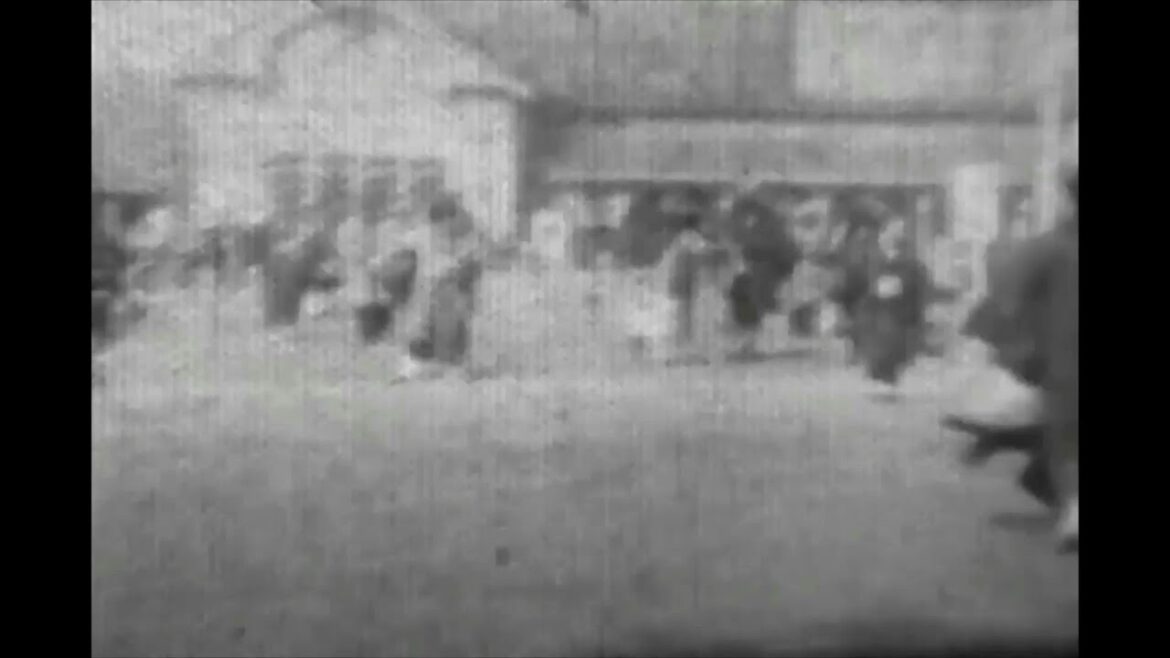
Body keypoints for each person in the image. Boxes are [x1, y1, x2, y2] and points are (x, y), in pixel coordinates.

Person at [948, 165, 1079, 551]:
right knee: (1064, 437)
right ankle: (1073, 510)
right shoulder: (1047, 248)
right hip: (1061, 364)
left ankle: (1073, 510)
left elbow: (1006, 303)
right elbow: (1007, 303)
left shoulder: (1046, 247)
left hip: (1060, 366)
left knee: (1063, 437)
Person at [853, 216, 932, 396]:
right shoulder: (872, 257)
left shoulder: (910, 259)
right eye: (891, 231)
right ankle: (881, 378)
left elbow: (917, 281)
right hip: (876, 311)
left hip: (899, 312)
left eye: (899, 231)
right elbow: (864, 282)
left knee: (891, 341)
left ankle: (886, 379)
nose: (895, 236)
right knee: (878, 339)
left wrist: (898, 286)